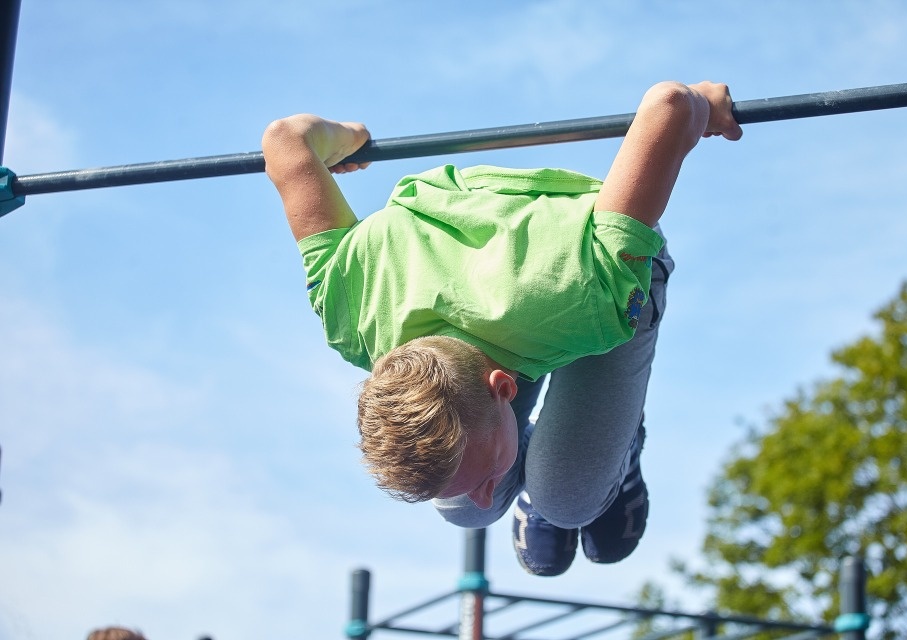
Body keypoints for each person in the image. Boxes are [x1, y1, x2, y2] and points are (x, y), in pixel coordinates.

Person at [262, 81, 742, 576]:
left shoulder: (589, 290)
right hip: (526, 296)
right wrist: (345, 137)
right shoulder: (349, 310)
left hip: (581, 281)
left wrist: (704, 104)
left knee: (568, 500)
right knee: (466, 509)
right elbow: (286, 141)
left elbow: (668, 106)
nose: (493, 487)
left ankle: (617, 449)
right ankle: (549, 454)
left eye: (492, 474)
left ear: (505, 386)